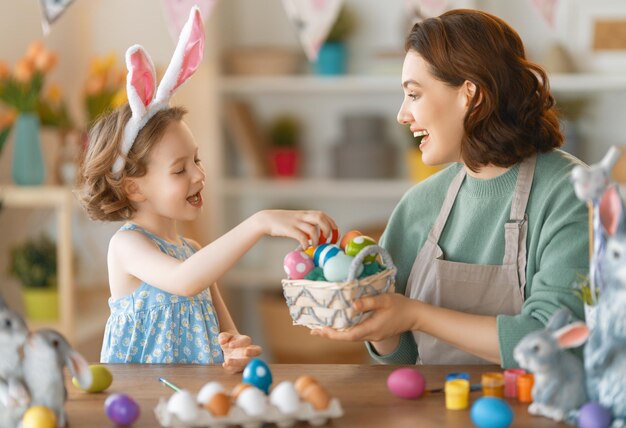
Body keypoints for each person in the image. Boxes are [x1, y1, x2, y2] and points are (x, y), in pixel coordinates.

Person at [313, 9, 589, 368]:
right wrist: (375, 322)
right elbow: (401, 358)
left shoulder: (569, 194)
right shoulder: (418, 205)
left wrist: (415, 314)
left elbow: (552, 342)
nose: (402, 114)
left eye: (414, 94)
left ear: (470, 95)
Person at [77, 7, 337, 372]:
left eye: (196, 161)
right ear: (134, 187)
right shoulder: (127, 246)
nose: (199, 176)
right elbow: (183, 281)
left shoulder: (194, 254)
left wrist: (234, 352)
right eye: (180, 169)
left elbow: (226, 340)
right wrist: (259, 222)